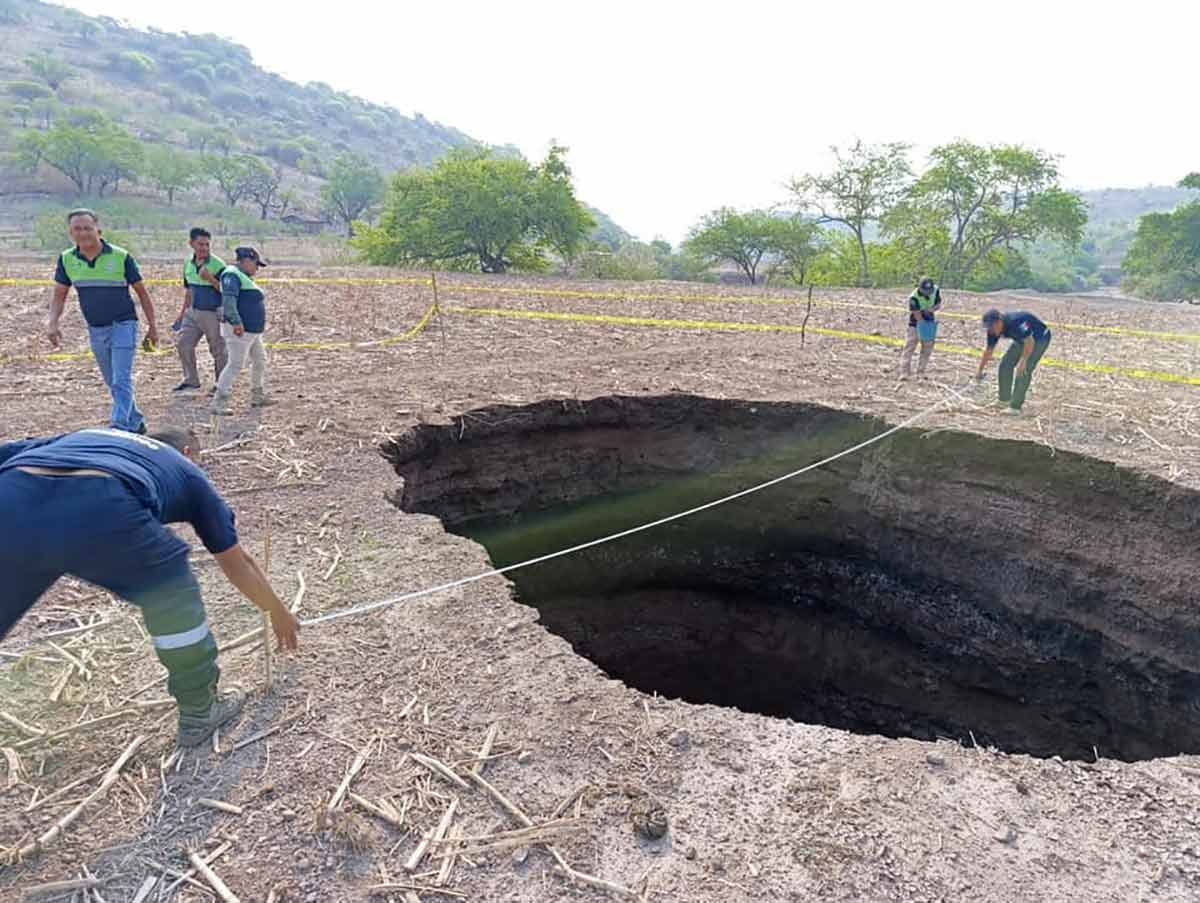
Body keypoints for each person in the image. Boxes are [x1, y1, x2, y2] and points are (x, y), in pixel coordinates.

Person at [0, 426, 300, 747]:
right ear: (188, 454)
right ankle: (200, 709)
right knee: (172, 589)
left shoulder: (89, 436)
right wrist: (277, 611)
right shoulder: (189, 473)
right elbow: (238, 563)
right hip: (98, 500)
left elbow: (9, 453)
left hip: (12, 494)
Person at [49, 209, 159, 434]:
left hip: (124, 324)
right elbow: (59, 294)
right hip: (96, 328)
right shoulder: (67, 259)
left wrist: (152, 327)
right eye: (78, 229)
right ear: (71, 233)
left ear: (98, 230)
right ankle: (136, 421)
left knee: (121, 379)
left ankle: (119, 427)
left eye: (87, 228)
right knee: (112, 381)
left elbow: (142, 292)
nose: (83, 233)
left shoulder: (121, 256)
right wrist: (53, 323)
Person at [211, 247, 275, 414]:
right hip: (240, 330)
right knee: (235, 364)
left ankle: (257, 396)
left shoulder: (242, 276)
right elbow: (229, 301)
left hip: (251, 332)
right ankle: (219, 402)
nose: (257, 269)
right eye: (256, 264)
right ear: (247, 260)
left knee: (260, 360)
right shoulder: (231, 275)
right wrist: (236, 322)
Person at [173, 227, 228, 394]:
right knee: (183, 344)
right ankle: (191, 380)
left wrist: (210, 279)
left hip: (212, 312)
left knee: (218, 350)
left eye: (207, 244)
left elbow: (227, 291)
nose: (204, 248)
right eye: (200, 244)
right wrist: (182, 313)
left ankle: (222, 384)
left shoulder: (218, 265)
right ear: (191, 244)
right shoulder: (188, 263)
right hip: (192, 312)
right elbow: (189, 290)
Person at [976, 309, 1053, 415]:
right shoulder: (992, 331)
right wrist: (979, 370)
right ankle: (1004, 400)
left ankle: (1015, 407)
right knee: (1005, 364)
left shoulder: (1016, 321)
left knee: (1023, 370)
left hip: (1039, 338)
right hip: (1022, 340)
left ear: (1000, 321)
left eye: (993, 326)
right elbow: (988, 351)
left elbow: (1030, 342)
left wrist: (1023, 360)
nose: (992, 330)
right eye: (989, 327)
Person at [900, 276, 942, 380]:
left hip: (929, 321)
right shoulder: (913, 297)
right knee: (909, 347)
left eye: (929, 291)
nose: (927, 293)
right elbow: (916, 314)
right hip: (915, 323)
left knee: (927, 348)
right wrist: (923, 326)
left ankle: (921, 372)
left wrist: (931, 309)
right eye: (925, 291)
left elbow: (938, 304)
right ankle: (904, 372)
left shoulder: (936, 290)